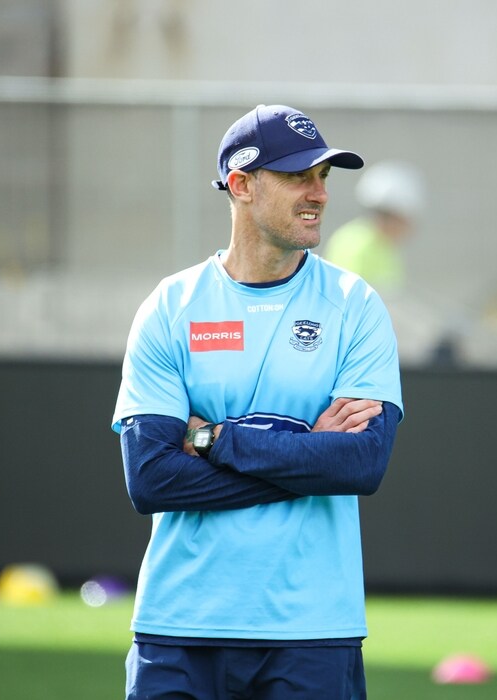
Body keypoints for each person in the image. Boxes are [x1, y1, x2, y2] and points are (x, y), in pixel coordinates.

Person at [111, 104, 404, 700]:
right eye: (299, 176)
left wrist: (211, 440)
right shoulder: (171, 307)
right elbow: (151, 480)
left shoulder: (355, 305)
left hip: (313, 631)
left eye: (324, 176)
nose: (318, 193)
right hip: (179, 628)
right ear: (241, 185)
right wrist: (308, 456)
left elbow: (362, 465)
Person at [323, 160, 425, 295]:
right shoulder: (354, 243)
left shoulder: (387, 246)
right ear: (393, 216)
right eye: (406, 220)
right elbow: (348, 298)